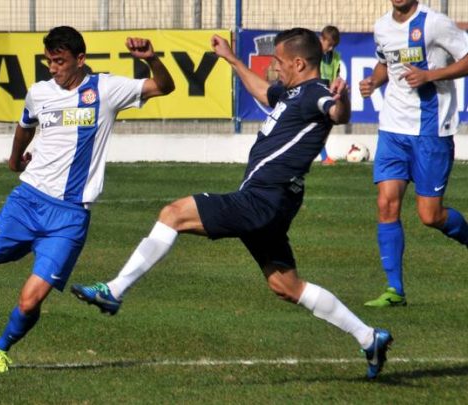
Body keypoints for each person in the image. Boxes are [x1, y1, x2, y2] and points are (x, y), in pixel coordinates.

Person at [72, 28, 393, 380]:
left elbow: (336, 113)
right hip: (273, 201)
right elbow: (264, 92)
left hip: (264, 199)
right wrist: (231, 59)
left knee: (173, 214)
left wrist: (342, 100)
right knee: (286, 286)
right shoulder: (292, 93)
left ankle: (115, 290)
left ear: (300, 63)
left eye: (279, 61)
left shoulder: (317, 92)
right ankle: (369, 337)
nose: (275, 67)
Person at [0, 26, 175, 373]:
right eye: (49, 61)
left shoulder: (106, 89)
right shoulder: (40, 92)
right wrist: (14, 160)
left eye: (59, 61)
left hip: (69, 217)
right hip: (26, 202)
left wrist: (151, 59)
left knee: (30, 301)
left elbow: (163, 87)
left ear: (80, 59)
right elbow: (25, 124)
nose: (53, 68)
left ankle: (0, 349)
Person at [359, 0, 468, 307]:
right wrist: (373, 81)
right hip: (392, 129)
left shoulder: (435, 22)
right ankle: (394, 290)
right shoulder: (382, 26)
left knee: (430, 215)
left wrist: (431, 76)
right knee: (386, 203)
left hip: (431, 131)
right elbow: (385, 63)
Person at [318, 25, 342, 165]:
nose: (331, 48)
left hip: (328, 94)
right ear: (321, 39)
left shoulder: (335, 57)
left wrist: (336, 87)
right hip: (315, 94)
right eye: (329, 44)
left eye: (334, 45)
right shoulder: (312, 54)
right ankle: (324, 157)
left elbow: (336, 76)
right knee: (319, 126)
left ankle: (324, 157)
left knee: (326, 125)